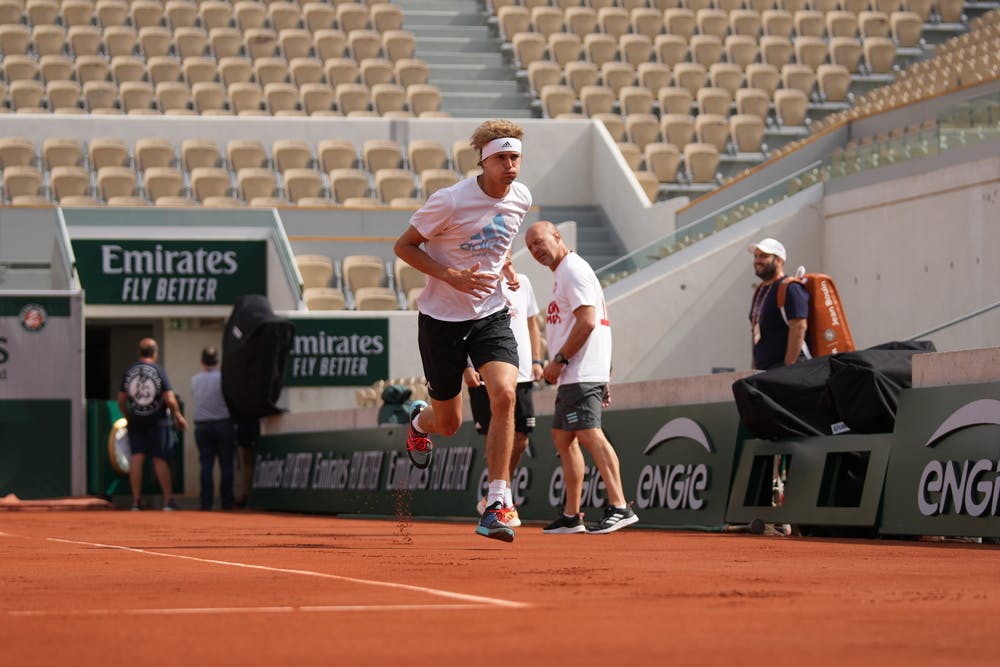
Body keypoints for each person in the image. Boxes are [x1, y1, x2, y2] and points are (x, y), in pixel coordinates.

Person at [394, 119, 532, 543]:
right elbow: (404, 247)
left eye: (515, 158)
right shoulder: (450, 201)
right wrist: (450, 274)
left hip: (490, 313)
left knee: (505, 394)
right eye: (502, 158)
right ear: (484, 161)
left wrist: (504, 266)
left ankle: (497, 501)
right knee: (450, 423)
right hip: (440, 319)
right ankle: (419, 422)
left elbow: (501, 237)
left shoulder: (522, 198)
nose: (510, 166)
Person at [525, 220, 639, 534]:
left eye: (539, 241)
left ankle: (619, 505)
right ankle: (572, 514)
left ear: (557, 236)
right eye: (530, 246)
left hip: (579, 370)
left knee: (589, 433)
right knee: (563, 437)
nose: (535, 250)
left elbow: (588, 321)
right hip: (578, 372)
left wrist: (560, 360)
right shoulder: (565, 272)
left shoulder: (572, 269)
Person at [467, 272, 543, 529]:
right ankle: (501, 500)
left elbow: (533, 322)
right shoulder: (475, 280)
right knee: (495, 433)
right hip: (485, 373)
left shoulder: (524, 281)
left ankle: (496, 495)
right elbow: (463, 327)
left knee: (520, 439)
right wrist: (467, 366)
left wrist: (536, 360)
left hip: (521, 375)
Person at [117, 337, 187, 511]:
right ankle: (168, 501)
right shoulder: (158, 370)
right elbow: (169, 399)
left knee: (137, 457)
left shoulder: (129, 370)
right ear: (155, 353)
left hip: (136, 420)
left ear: (140, 352)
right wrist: (178, 415)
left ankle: (136, 501)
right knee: (160, 459)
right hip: (159, 422)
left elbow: (121, 399)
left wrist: (128, 416)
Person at [748, 238, 809, 371]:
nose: (757, 260)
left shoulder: (790, 288)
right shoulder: (760, 290)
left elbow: (799, 327)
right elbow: (757, 332)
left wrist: (789, 366)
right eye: (756, 256)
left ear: (779, 260)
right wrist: (754, 367)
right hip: (765, 371)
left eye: (764, 256)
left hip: (787, 372)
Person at [190, 346, 236, 511]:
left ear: (202, 361)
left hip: (202, 426)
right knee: (226, 465)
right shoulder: (223, 378)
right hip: (223, 424)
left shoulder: (195, 379)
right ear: (217, 361)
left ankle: (206, 503)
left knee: (206, 465)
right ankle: (227, 503)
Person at [234, 418, 260, 509]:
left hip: (254, 427)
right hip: (245, 428)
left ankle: (250, 495)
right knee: (247, 462)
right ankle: (246, 495)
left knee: (252, 462)